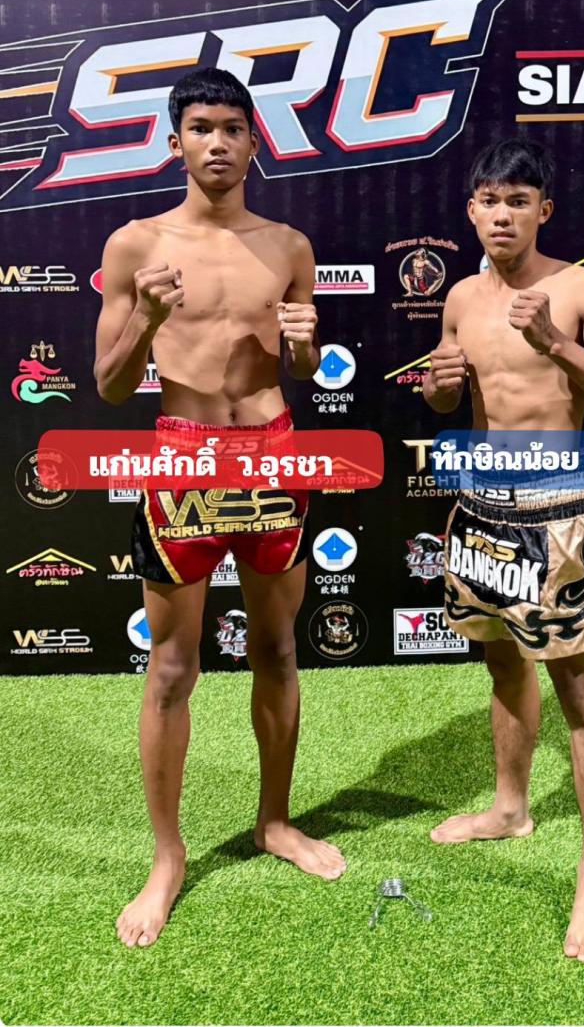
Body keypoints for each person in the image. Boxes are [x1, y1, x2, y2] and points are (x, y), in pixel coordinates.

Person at [94, 67, 346, 950]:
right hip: (182, 458)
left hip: (274, 453)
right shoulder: (135, 245)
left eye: (234, 128)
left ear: (253, 143)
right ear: (176, 141)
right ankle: (167, 858)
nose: (218, 142)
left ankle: (275, 821)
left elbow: (301, 369)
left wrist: (307, 351)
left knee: (276, 649)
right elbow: (109, 383)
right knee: (172, 667)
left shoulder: (288, 245)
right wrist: (144, 318)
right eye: (201, 127)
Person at [422, 137, 584, 962]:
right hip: (480, 511)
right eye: (489, 200)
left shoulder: (582, 288)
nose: (503, 215)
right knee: (500, 662)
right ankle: (511, 808)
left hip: (555, 514)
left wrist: (557, 342)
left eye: (518, 201)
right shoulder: (460, 297)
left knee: (580, 692)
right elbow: (459, 403)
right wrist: (439, 389)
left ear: (543, 211)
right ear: (470, 211)